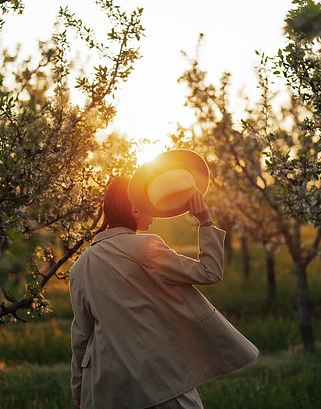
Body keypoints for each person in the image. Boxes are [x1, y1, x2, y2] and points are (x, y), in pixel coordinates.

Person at [70, 154, 258, 409]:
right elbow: (209, 272)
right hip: (158, 380)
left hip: (104, 389)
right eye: (149, 204)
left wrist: (79, 389)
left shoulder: (80, 267)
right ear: (133, 208)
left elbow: (81, 335)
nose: (156, 214)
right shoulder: (146, 247)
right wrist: (205, 220)